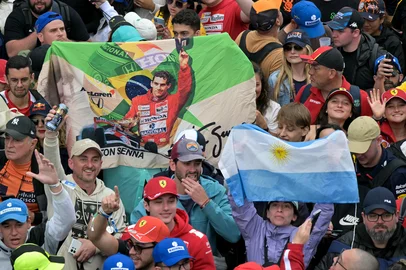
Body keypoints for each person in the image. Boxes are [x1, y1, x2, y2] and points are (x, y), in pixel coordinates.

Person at [132, 139, 239, 268]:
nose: (193, 169)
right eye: (187, 163)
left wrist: (206, 203)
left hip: (205, 262)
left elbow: (233, 234)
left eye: (197, 163)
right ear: (172, 164)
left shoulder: (215, 190)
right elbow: (135, 238)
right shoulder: (158, 192)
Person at [44, 111, 126, 270]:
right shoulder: (61, 185)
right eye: (83, 159)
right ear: (71, 163)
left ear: (101, 164)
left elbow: (121, 236)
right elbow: (51, 162)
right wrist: (51, 134)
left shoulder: (109, 195)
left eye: (95, 160)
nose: (90, 165)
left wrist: (96, 246)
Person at [0, 150, 76, 270]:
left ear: (29, 222)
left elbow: (67, 220)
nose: (14, 232)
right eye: (7, 226)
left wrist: (55, 185)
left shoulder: (40, 236)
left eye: (19, 225)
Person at [229, 189, 333, 267]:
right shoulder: (255, 228)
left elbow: (323, 212)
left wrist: (327, 174)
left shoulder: (302, 235)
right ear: (267, 213)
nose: (279, 209)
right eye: (274, 205)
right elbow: (238, 201)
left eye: (286, 206)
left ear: (294, 216)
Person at [134, 176, 216, 269]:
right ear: (146, 205)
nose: (166, 208)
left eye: (171, 201)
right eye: (158, 202)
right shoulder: (135, 237)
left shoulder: (197, 240)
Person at [316, 187, 406, 269]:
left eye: (386, 215)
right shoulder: (344, 245)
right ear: (363, 217)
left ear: (397, 216)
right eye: (373, 216)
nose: (380, 221)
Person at [87, 184, 171, 270]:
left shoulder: (175, 263)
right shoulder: (127, 250)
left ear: (159, 249)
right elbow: (95, 236)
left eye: (139, 247)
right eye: (130, 243)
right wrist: (103, 212)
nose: (131, 252)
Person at [122, 51, 192, 146]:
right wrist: (122, 124)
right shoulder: (138, 101)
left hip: (165, 148)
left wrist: (184, 67)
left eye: (162, 85)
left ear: (169, 86)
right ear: (151, 84)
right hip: (143, 148)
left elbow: (185, 89)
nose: (158, 88)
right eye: (156, 84)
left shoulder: (174, 101)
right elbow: (128, 121)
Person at [295, 46, 372, 124]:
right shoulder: (305, 92)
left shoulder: (359, 97)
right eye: (311, 67)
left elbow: (370, 132)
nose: (310, 72)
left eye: (316, 68)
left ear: (331, 73)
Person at [0, 116, 48, 225]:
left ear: (32, 143)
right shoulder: (1, 159)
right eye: (7, 138)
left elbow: (55, 217)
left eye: (17, 140)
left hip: (29, 231)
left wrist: (34, 216)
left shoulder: (43, 171)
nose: (9, 145)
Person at [326, 7, 386, 90]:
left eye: (340, 31)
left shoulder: (377, 57)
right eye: (333, 29)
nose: (333, 35)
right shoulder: (330, 52)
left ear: (355, 32)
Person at [4, 0, 90, 57]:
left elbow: (90, 47)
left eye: (62, 29)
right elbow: (11, 52)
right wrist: (41, 27)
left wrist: (68, 44)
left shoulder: (66, 11)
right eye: (53, 30)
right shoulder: (18, 15)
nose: (39, 0)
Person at [348, 116, 406, 198]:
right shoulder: (347, 164)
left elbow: (401, 208)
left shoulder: (398, 173)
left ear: (379, 141)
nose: (359, 153)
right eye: (355, 148)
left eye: (364, 148)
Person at [235, 0, 282, 78]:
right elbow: (275, 87)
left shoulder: (243, 36)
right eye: (279, 12)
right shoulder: (279, 54)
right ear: (277, 21)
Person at [269, 29, 313, 106]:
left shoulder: (316, 77)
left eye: (297, 47)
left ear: (307, 50)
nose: (292, 52)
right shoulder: (275, 78)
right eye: (288, 48)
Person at [358, 0, 405, 72]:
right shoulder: (355, 35)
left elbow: (398, 74)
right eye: (363, 19)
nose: (366, 24)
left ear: (382, 19)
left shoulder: (392, 42)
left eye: (371, 20)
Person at [29, 100, 71, 174]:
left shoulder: (66, 151)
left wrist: (51, 133)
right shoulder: (28, 150)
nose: (40, 125)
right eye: (35, 121)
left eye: (44, 120)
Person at [253, 62, 280, 134]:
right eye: (249, 85)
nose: (254, 89)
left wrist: (263, 126)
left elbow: (276, 141)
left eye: (257, 85)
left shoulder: (274, 108)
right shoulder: (231, 105)